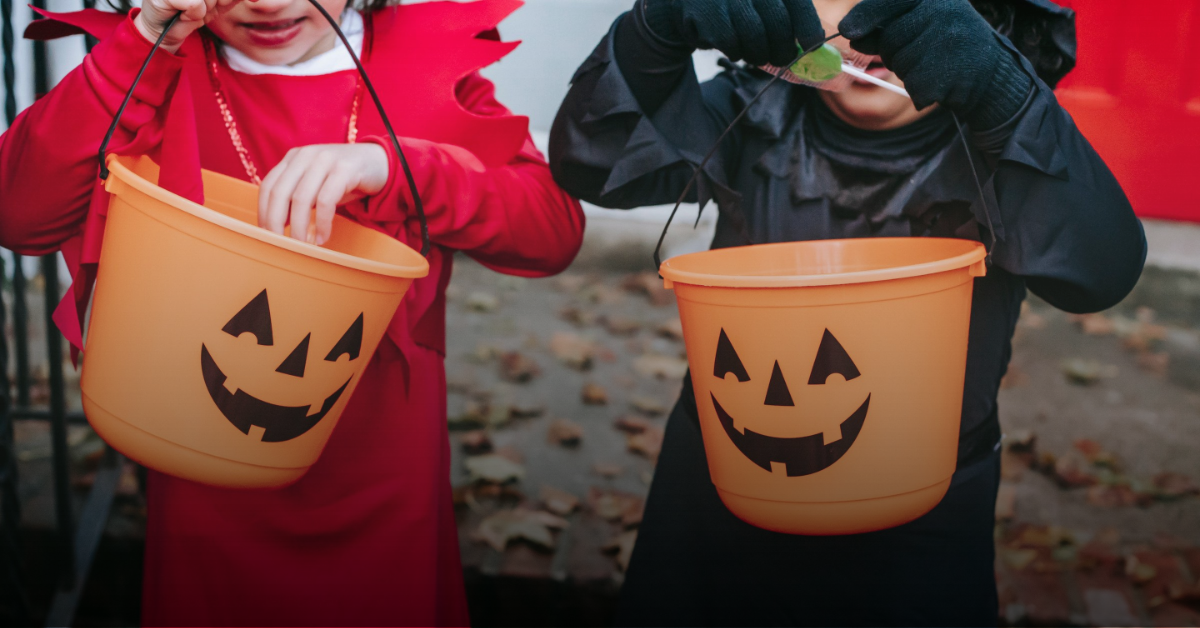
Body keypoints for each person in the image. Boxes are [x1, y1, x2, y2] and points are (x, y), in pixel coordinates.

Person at [549, 0, 1145, 625]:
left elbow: (1100, 271)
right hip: (725, 472)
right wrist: (654, 29)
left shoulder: (1006, 134)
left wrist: (1003, 95)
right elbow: (594, 162)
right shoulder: (750, 110)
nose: (873, 24)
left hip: (927, 515)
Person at [0, 0, 584, 623]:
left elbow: (552, 230)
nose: (268, 1)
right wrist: (142, 44)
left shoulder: (431, 64)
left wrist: (398, 168)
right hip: (203, 460)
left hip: (384, 465)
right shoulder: (151, 65)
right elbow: (19, 214)